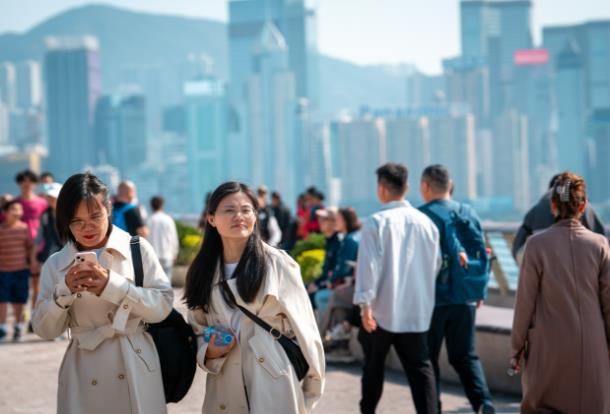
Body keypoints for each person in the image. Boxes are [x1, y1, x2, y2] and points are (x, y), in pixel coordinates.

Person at [32, 173, 173, 414]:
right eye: (76, 221)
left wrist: (113, 286)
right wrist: (64, 291)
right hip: (83, 367)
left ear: (109, 208)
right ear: (65, 221)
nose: (87, 227)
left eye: (95, 216)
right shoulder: (56, 265)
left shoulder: (137, 249)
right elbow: (45, 330)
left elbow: (162, 308)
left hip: (134, 361)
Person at [184, 181, 325, 413]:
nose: (239, 216)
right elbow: (198, 327)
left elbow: (307, 331)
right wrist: (209, 352)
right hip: (225, 382)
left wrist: (309, 394)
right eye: (229, 210)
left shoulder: (278, 263)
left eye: (246, 209)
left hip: (273, 378)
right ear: (211, 219)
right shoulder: (203, 270)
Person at [510, 172, 610, 413]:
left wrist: (516, 349)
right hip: (592, 346)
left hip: (547, 347)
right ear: (584, 205)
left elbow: (525, 303)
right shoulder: (599, 245)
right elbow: (608, 303)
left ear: (553, 205)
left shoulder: (536, 245)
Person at [354, 163, 441, 414]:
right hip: (416, 310)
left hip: (381, 311)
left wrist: (365, 306)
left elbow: (368, 267)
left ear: (381, 189)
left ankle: (368, 411)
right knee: (420, 369)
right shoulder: (427, 224)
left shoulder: (376, 222)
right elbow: (435, 266)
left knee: (373, 367)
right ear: (408, 187)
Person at [419, 165, 495, 414]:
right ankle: (483, 402)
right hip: (465, 297)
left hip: (433, 300)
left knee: (428, 359)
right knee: (465, 357)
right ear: (449, 185)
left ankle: (433, 408)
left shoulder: (422, 216)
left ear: (425, 186)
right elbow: (481, 252)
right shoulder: (468, 212)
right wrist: (479, 289)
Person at [512, 173, 606, 262]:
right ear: (582, 206)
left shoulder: (538, 208)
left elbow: (519, 243)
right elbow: (599, 231)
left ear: (553, 205)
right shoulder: (584, 205)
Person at [320, 207, 361, 363]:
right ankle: (341, 349)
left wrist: (331, 282)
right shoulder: (353, 237)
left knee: (335, 296)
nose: (335, 222)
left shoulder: (350, 239)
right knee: (338, 307)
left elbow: (343, 267)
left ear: (345, 221)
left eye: (337, 219)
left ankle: (319, 338)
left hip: (353, 287)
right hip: (352, 285)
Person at [0, 200, 37, 341]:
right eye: (14, 209)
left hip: (21, 270)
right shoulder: (1, 229)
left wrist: (32, 262)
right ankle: (2, 328)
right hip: (3, 271)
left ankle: (19, 327)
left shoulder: (23, 228)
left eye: (19, 209)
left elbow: (29, 247)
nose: (17, 212)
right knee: (2, 300)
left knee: (20, 300)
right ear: (5, 212)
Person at [15, 169, 46, 316]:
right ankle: (22, 315)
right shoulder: (14, 204)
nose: (27, 184)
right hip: (19, 247)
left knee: (37, 285)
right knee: (21, 284)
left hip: (39, 245)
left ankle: (34, 316)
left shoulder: (42, 203)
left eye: (30, 181)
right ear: (19, 183)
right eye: (23, 181)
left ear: (35, 183)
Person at [307, 207, 341, 313]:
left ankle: (322, 330)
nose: (320, 222)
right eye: (320, 219)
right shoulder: (329, 240)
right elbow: (325, 270)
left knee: (315, 296)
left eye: (324, 219)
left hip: (334, 286)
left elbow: (338, 272)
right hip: (325, 284)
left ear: (334, 221)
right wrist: (316, 283)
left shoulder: (339, 241)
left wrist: (318, 285)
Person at [147, 196, 179, 280]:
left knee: (154, 282)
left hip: (152, 256)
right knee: (167, 282)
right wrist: (175, 253)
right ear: (162, 205)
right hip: (167, 254)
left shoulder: (149, 220)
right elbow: (173, 238)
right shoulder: (168, 219)